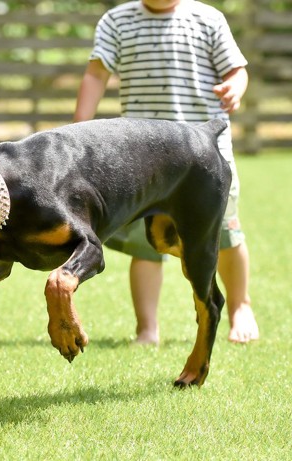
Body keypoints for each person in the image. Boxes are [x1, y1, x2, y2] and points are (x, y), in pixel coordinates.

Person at [73, 0, 259, 345]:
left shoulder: (208, 19)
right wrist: (78, 131)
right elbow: (96, 74)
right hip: (145, 161)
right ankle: (147, 327)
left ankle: (239, 307)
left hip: (205, 159)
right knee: (147, 244)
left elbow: (237, 69)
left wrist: (235, 85)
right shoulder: (117, 21)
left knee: (224, 234)